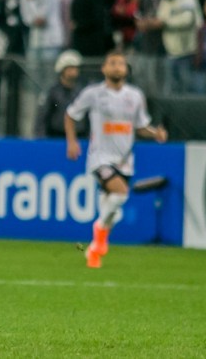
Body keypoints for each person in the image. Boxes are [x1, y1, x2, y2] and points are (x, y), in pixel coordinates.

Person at [64, 50, 168, 269]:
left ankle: (93, 250)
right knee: (120, 193)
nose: (117, 67)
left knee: (114, 212)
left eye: (121, 63)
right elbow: (70, 114)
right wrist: (72, 142)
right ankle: (99, 237)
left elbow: (140, 127)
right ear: (104, 68)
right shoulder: (93, 93)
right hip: (99, 158)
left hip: (125, 161)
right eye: (112, 63)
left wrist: (155, 133)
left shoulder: (135, 96)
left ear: (126, 69)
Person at [34, 50, 85, 138]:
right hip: (56, 137)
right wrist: (41, 140)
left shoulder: (83, 92)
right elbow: (42, 118)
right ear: (62, 70)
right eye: (70, 68)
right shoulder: (52, 92)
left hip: (80, 137)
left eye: (76, 68)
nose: (74, 71)